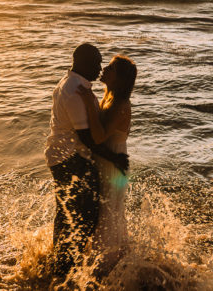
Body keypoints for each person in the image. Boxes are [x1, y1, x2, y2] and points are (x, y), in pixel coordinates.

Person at [45, 44, 130, 285]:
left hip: (70, 158)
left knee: (75, 211)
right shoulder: (75, 91)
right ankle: (68, 266)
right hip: (72, 160)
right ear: (82, 62)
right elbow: (89, 138)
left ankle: (66, 261)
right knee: (84, 213)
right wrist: (114, 158)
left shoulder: (76, 86)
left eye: (104, 64)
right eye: (97, 63)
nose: (100, 68)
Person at [76, 55, 136, 277]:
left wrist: (86, 101)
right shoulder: (110, 98)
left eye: (109, 68)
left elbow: (100, 136)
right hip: (109, 161)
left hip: (113, 164)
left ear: (118, 78)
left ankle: (105, 267)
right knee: (108, 212)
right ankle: (115, 260)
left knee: (108, 214)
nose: (103, 69)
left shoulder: (120, 104)